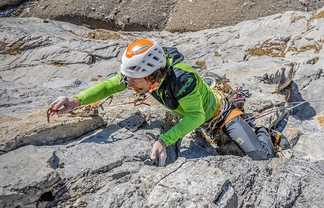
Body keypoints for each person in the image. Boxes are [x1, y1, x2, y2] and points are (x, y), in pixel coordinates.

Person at [49, 39, 275, 166]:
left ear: (151, 77)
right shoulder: (146, 75)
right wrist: (77, 99)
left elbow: (196, 116)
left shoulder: (182, 80)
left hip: (221, 114)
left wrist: (165, 140)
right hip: (201, 109)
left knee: (260, 156)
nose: (127, 84)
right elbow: (109, 85)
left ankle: (263, 132)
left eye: (133, 81)